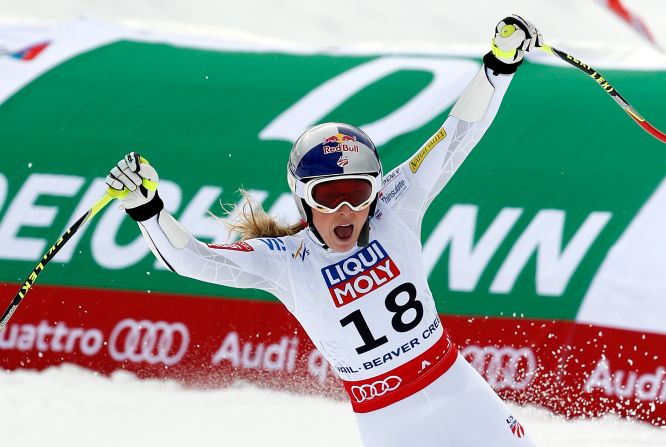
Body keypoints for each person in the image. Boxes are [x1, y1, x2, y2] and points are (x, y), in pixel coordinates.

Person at [105, 15, 541, 447]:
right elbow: (191, 260)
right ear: (303, 198)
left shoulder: (395, 206)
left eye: (359, 192)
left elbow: (455, 135)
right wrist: (146, 208)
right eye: (330, 197)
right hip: (391, 424)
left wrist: (498, 67)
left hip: (461, 395)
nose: (347, 209)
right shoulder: (283, 260)